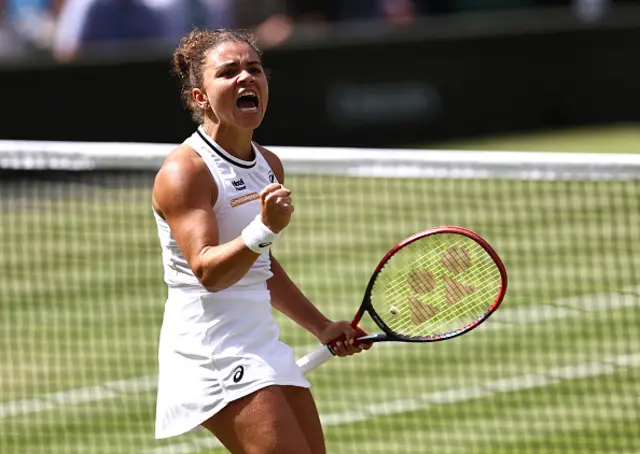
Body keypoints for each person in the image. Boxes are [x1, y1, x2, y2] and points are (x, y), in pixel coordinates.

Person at [151, 28, 370, 453]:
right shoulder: (186, 172)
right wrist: (263, 228)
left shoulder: (267, 164)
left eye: (254, 69)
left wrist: (321, 326)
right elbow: (208, 272)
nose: (246, 78)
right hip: (212, 350)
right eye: (229, 72)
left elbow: (260, 265)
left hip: (260, 343)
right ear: (200, 98)